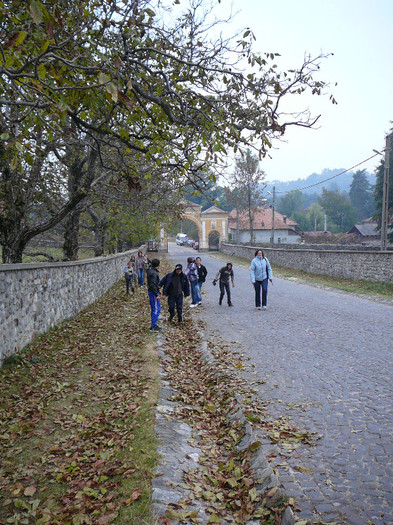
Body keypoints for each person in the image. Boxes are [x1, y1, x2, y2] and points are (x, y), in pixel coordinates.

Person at [147, 258, 161, 331]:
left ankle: (154, 324)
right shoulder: (154, 273)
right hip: (153, 293)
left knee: (157, 308)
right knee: (155, 309)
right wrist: (156, 294)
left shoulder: (151, 271)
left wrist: (158, 290)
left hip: (153, 291)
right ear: (158, 265)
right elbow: (152, 284)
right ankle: (153, 326)